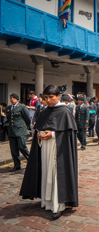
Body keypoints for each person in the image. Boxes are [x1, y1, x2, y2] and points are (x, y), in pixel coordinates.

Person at [20, 85, 78, 220]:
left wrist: (52, 134)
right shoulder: (45, 111)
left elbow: (69, 133)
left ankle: (59, 205)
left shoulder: (64, 111)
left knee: (56, 175)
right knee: (46, 173)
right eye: (46, 98)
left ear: (58, 96)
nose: (49, 100)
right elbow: (39, 126)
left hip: (58, 150)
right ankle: (47, 201)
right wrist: (39, 135)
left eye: (51, 97)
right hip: (44, 148)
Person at [4, 93, 31, 172]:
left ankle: (31, 161)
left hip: (20, 131)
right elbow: (9, 119)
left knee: (22, 147)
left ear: (17, 99)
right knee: (13, 149)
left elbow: (28, 119)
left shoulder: (22, 107)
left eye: (13, 98)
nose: (12, 99)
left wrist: (27, 127)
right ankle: (17, 165)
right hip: (12, 131)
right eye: (11, 98)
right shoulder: (8, 108)